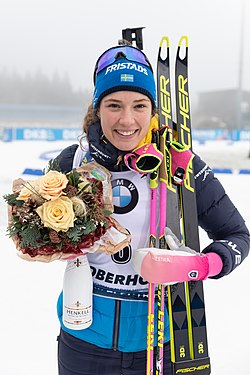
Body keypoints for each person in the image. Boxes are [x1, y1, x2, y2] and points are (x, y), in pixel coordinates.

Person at [55, 43, 249, 375]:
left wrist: (200, 266)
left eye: (139, 105)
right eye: (114, 105)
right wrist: (49, 240)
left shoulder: (182, 166)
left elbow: (237, 236)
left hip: (161, 344)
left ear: (153, 110)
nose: (126, 119)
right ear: (97, 109)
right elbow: (31, 228)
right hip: (83, 340)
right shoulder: (71, 162)